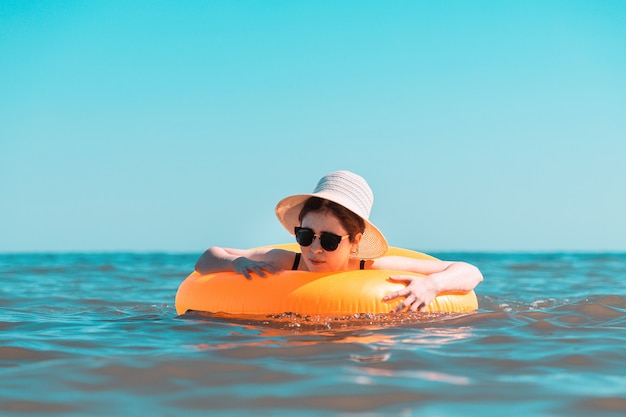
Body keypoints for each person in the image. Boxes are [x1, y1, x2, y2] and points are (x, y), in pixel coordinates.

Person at [195, 170, 483, 312]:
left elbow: (470, 271)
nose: (314, 249)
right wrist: (238, 263)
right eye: (305, 236)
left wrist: (432, 284)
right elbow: (208, 257)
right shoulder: (288, 259)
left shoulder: (369, 266)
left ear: (354, 241)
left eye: (330, 240)